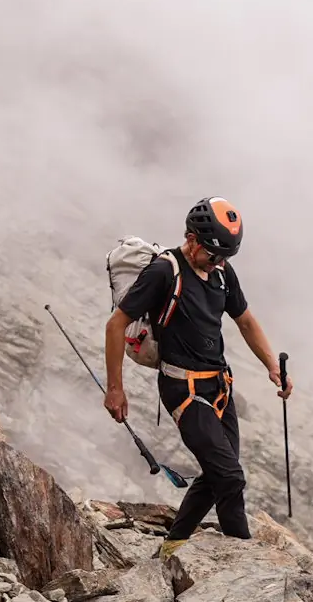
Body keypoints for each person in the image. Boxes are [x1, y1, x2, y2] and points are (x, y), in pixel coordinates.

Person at [103, 197, 292, 559]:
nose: (219, 263)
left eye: (226, 257)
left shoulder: (221, 273)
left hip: (219, 386)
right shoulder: (164, 272)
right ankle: (244, 561)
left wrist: (272, 366)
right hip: (183, 388)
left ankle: (171, 548)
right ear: (191, 239)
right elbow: (116, 325)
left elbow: (245, 320)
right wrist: (115, 389)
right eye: (214, 254)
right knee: (230, 477)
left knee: (217, 472)